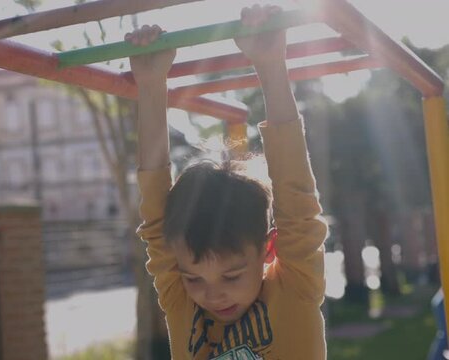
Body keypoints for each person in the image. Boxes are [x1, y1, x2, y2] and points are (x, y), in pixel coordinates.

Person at [130, 4, 328, 359]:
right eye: (195, 278)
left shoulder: (295, 286)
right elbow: (158, 219)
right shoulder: (181, 299)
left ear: (267, 250)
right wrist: (150, 84)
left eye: (232, 275)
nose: (212, 294)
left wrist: (270, 65)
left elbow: (296, 197)